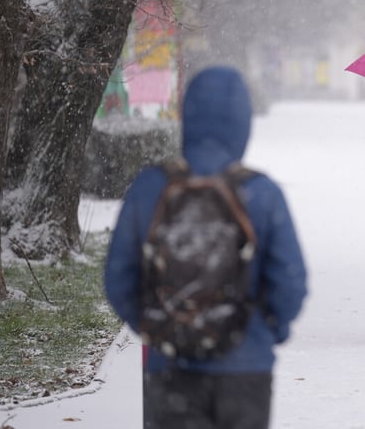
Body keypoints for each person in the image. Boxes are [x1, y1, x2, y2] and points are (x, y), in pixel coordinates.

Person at [104, 66, 307, 429]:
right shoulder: (262, 193)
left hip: (170, 366)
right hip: (246, 367)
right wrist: (265, 331)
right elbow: (290, 284)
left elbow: (119, 278)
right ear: (243, 124)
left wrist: (157, 327)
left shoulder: (151, 187)